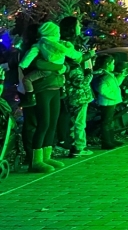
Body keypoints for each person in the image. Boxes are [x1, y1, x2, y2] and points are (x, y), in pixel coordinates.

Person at [19, 21, 83, 172]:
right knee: (44, 123)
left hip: (55, 86)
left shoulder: (56, 45)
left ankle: (46, 156)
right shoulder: (39, 46)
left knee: (52, 123)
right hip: (43, 88)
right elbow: (38, 64)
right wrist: (60, 66)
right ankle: (36, 160)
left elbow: (70, 60)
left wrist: (63, 66)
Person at [58, 16, 95, 159]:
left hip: (76, 89)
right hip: (77, 91)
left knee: (76, 119)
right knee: (79, 120)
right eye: (78, 25)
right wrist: (89, 57)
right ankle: (78, 146)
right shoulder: (67, 46)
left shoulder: (70, 44)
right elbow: (77, 61)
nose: (80, 27)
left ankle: (75, 144)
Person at [92, 54, 128, 149]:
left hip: (110, 102)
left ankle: (111, 139)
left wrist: (122, 75)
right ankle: (106, 142)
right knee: (106, 122)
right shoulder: (103, 75)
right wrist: (113, 96)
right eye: (112, 63)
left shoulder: (107, 74)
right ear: (107, 64)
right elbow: (101, 89)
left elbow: (115, 84)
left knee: (109, 121)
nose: (114, 65)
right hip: (107, 102)